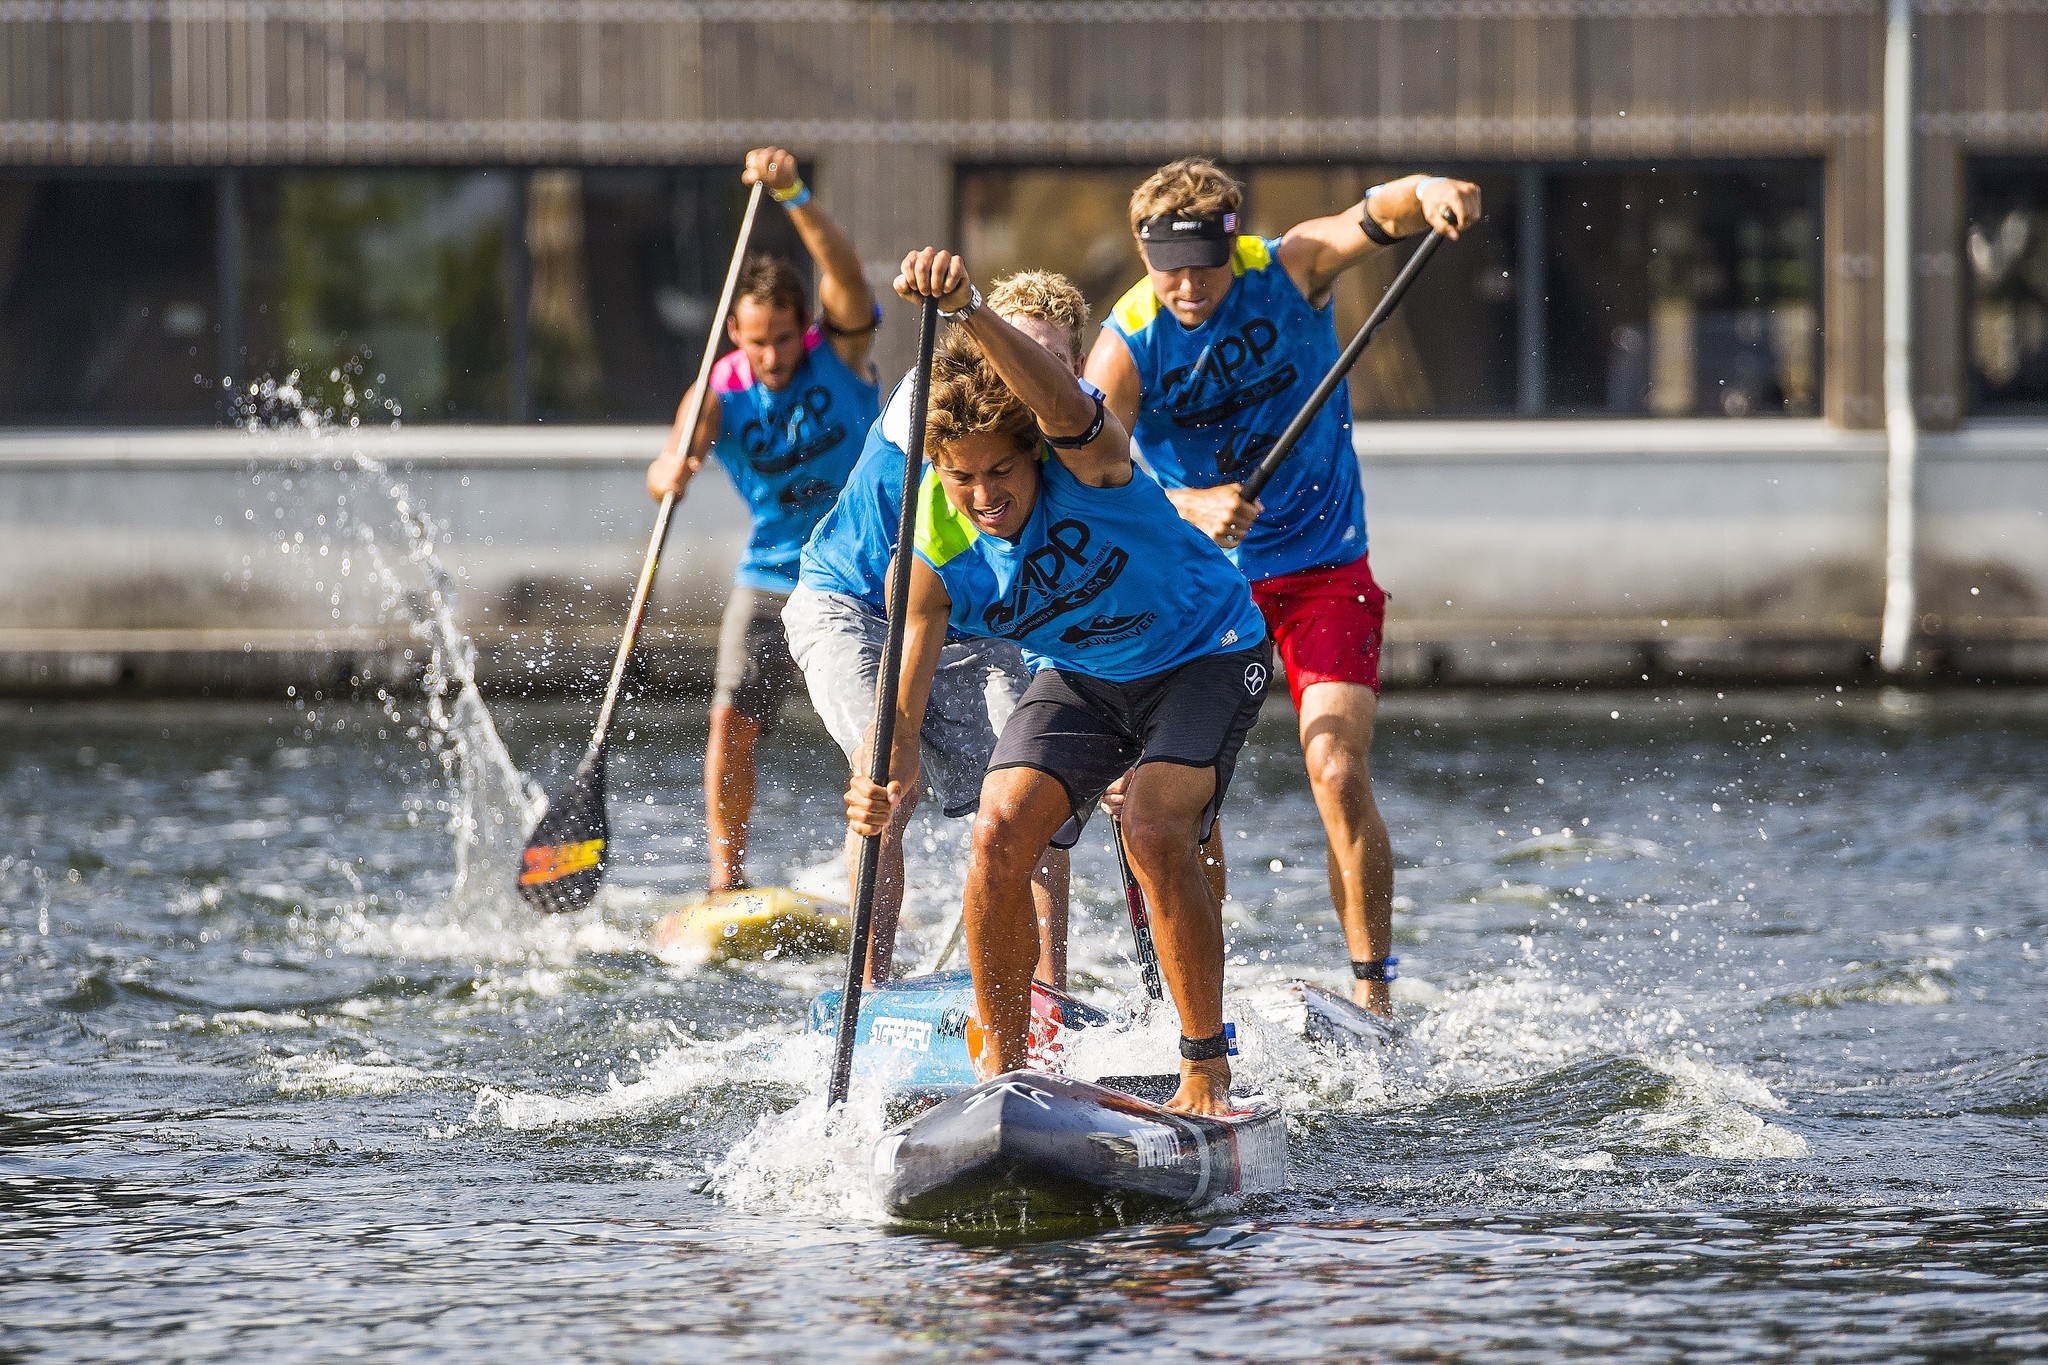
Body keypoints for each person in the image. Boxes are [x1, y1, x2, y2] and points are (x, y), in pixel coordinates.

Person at [846, 248, 1272, 1117]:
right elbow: (903, 704)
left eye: (1000, 472)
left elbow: (1059, 402)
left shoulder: (1089, 458)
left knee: (1153, 825)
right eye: (961, 478)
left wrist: (969, 308)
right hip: (1086, 674)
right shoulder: (931, 548)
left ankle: (1205, 1069)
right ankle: (1004, 1075)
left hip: (1208, 650)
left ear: (1033, 453)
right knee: (1000, 831)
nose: (983, 495)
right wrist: (879, 778)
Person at [1085, 159, 1481, 1016]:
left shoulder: (1290, 266)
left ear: (1234, 245)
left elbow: (1378, 214)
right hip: (1200, 585)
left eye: (1204, 267)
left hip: (1322, 566)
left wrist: (1436, 194)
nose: (1187, 287)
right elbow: (1088, 471)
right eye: (1167, 268)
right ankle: (1193, 1000)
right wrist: (1190, 502)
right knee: (1177, 797)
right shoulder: (1127, 339)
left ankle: (1375, 995)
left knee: (1336, 765)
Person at [786, 273, 1091, 986]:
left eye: (1047, 360)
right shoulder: (936, 394)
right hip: (854, 606)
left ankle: (1048, 995)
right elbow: (907, 581)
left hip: (968, 629)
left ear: (1074, 369)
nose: (1025, 374)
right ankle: (870, 986)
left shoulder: (1071, 438)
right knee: (889, 778)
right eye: (1013, 351)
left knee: (1039, 789)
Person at [645, 147, 880, 896]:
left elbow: (844, 274)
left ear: (801, 329)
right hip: (773, 575)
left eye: (783, 337)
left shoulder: (838, 353)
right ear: (736, 338)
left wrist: (794, 195)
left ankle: (873, 882)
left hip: (863, 574)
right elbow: (668, 461)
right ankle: (726, 881)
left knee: (867, 743)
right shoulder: (720, 388)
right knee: (728, 728)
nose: (773, 354)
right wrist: (672, 471)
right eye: (757, 341)